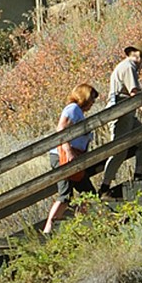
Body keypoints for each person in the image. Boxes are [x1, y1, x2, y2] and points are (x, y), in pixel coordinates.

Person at [98, 41, 142, 195]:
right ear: (139, 55)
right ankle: (104, 187)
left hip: (128, 112)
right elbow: (135, 94)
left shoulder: (127, 67)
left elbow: (136, 96)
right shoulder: (129, 66)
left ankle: (138, 177)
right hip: (121, 111)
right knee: (119, 150)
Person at [42, 83, 99, 234]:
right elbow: (61, 129)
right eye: (92, 98)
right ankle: (48, 231)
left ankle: (79, 225)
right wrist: (68, 151)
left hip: (75, 157)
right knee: (65, 195)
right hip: (64, 156)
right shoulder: (73, 109)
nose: (93, 102)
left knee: (89, 194)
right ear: (85, 96)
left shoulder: (79, 112)